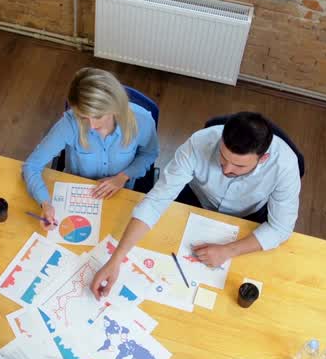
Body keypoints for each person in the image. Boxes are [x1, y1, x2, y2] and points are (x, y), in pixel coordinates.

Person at [90, 111, 300, 298]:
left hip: (246, 217)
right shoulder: (199, 143)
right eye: (223, 157)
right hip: (196, 201)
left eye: (238, 165)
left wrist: (229, 250)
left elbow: (281, 228)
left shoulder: (285, 165)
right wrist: (116, 259)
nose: (226, 169)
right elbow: (155, 201)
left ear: (263, 159)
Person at [22, 67, 158, 231]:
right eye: (84, 117)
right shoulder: (69, 123)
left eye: (98, 117)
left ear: (115, 107)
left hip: (121, 193)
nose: (92, 126)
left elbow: (149, 154)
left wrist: (122, 177)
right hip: (75, 196)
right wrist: (45, 203)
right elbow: (31, 165)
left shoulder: (142, 120)